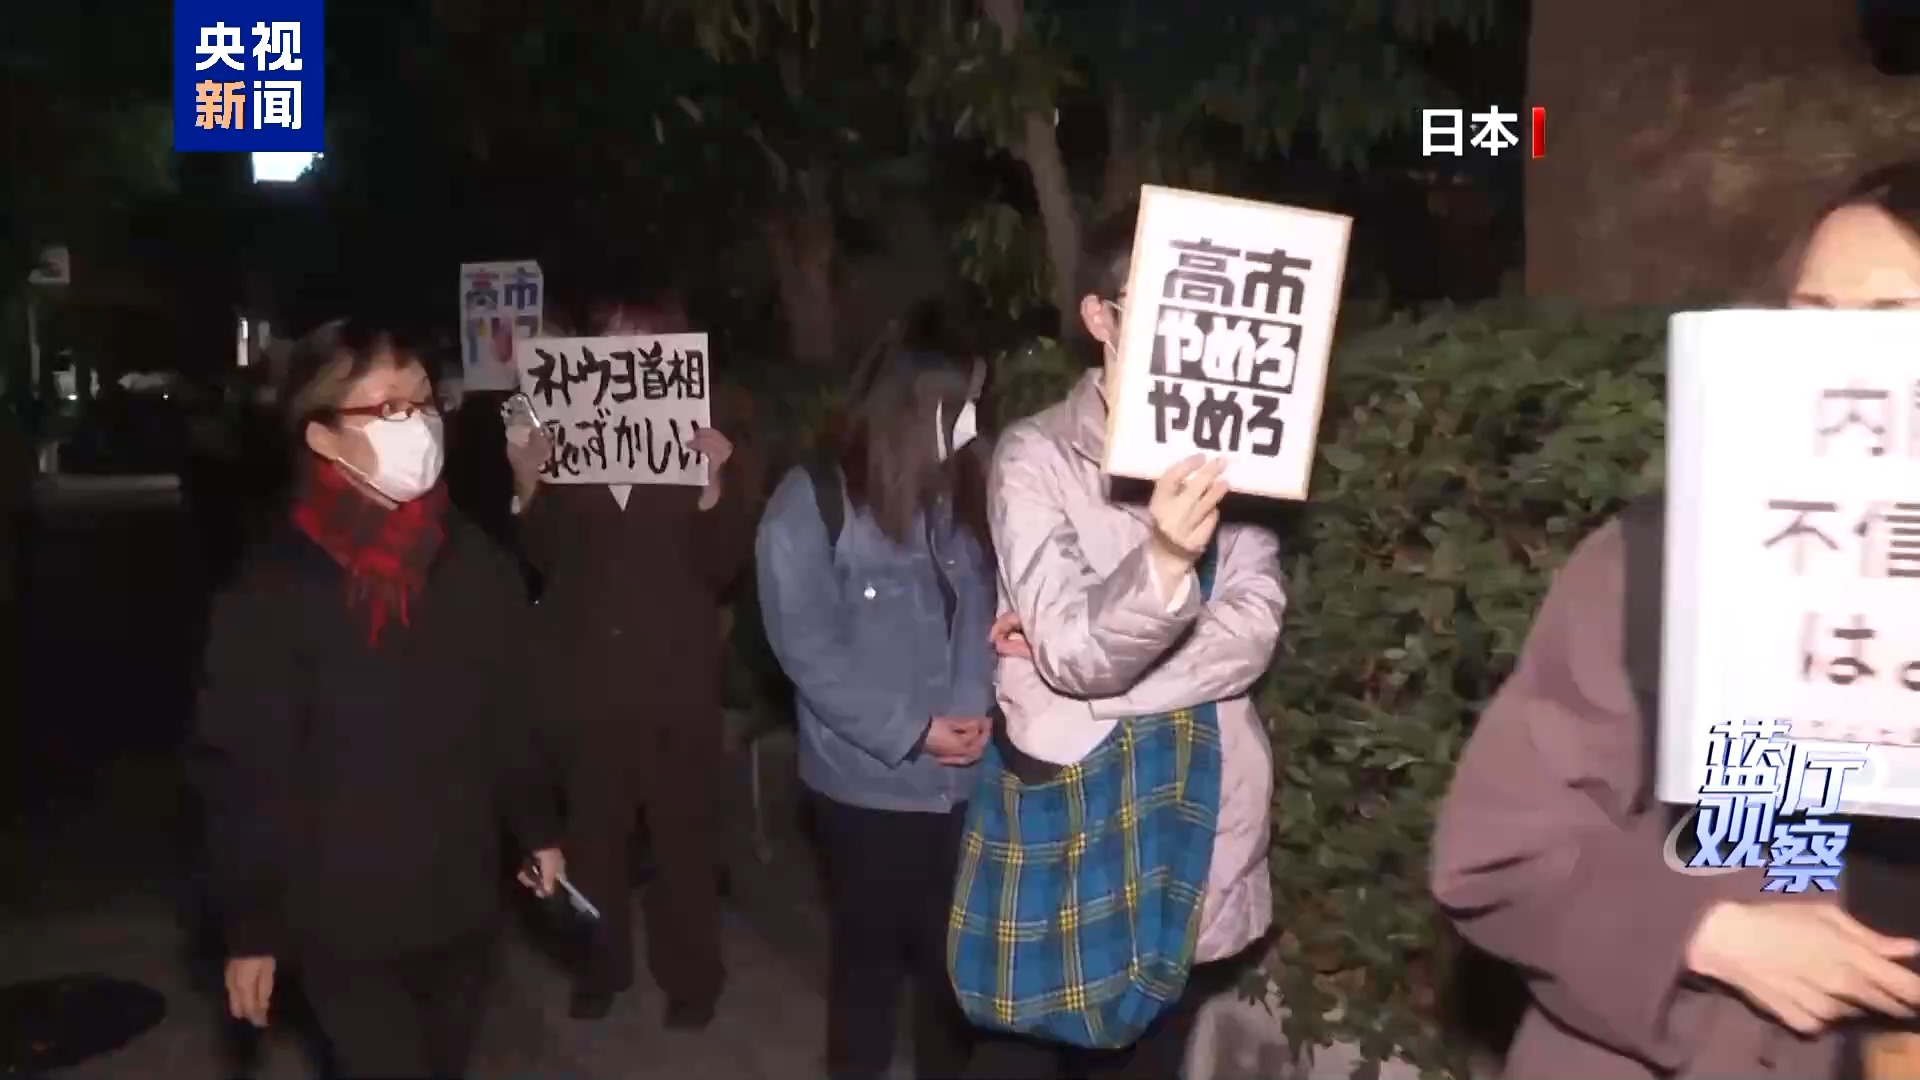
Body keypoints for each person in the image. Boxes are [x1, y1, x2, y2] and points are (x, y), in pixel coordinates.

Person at [1430, 160, 1920, 1080]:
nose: (1841, 354)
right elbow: (1499, 853)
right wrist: (1711, 933)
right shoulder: (1666, 558)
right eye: (1813, 314)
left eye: (1894, 319)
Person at [191, 318, 564, 1078]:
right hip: (340, 918)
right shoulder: (271, 589)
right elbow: (243, 767)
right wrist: (251, 925)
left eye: (424, 402)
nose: (417, 424)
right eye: (389, 408)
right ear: (323, 437)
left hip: (460, 902)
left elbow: (512, 709)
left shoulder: (473, 561)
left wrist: (537, 827)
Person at [972, 206, 1286, 1078]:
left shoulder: (1239, 454)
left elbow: (1253, 632)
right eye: (1163, 305)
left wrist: (1097, 677)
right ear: (1100, 317)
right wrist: (1164, 566)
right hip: (1087, 818)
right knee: (1072, 1047)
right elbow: (1072, 647)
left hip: (1206, 814)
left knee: (1159, 1050)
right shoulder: (1035, 455)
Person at [507, 288, 753, 1025]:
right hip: (586, 681)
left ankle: (692, 980)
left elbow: (722, 566)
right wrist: (528, 480)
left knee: (684, 841)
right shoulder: (564, 436)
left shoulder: (702, 432)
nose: (622, 357)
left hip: (676, 682)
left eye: (639, 342)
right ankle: (598, 967)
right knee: (593, 840)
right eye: (609, 341)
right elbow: (545, 560)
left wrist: (713, 487)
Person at [756, 341, 996, 1080]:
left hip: (966, 789)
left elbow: (984, 611)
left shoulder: (961, 494)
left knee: (953, 985)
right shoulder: (811, 504)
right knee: (868, 979)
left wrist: (984, 707)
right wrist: (915, 732)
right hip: (867, 793)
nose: (973, 421)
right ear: (915, 411)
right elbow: (810, 654)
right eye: (960, 407)